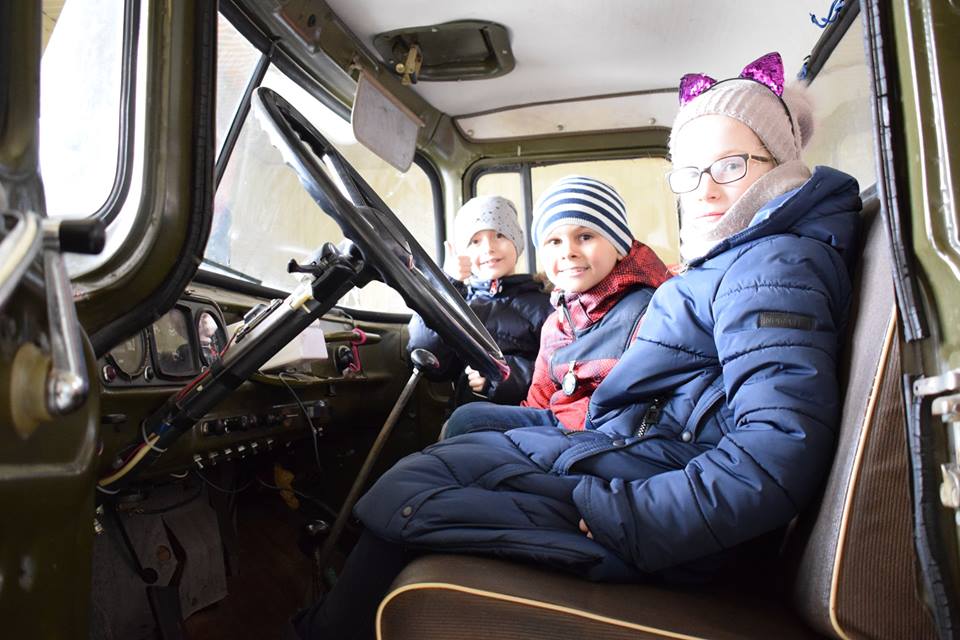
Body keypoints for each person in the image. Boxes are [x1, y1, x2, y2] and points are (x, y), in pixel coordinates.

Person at [289, 52, 861, 640]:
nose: (706, 189)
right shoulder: (738, 258)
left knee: (412, 490)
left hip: (669, 513)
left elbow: (776, 449)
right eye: (689, 173)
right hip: (646, 456)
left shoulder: (774, 266)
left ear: (780, 164)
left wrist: (630, 514)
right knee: (444, 456)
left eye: (731, 165)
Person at [440, 175, 672, 438]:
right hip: (558, 424)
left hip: (603, 436)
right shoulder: (558, 319)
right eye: (554, 241)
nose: (568, 251)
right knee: (465, 420)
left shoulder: (650, 310)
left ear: (619, 246)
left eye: (585, 236)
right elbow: (538, 401)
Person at [407, 195, 553, 407]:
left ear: (517, 241)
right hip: (466, 411)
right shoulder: (459, 303)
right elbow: (429, 356)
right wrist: (444, 286)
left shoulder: (545, 301)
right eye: (475, 241)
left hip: (529, 412)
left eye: (500, 235)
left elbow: (559, 369)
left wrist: (500, 376)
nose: (489, 248)